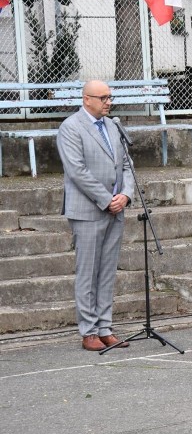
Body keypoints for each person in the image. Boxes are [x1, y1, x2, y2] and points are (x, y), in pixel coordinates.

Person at [57, 80, 135, 351]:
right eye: (102, 98)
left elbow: (127, 164)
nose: (108, 102)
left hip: (116, 209)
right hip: (88, 211)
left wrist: (125, 194)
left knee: (107, 271)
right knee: (88, 272)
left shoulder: (112, 126)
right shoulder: (71, 127)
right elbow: (77, 171)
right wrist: (106, 200)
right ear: (86, 99)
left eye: (109, 97)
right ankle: (88, 331)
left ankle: (105, 327)